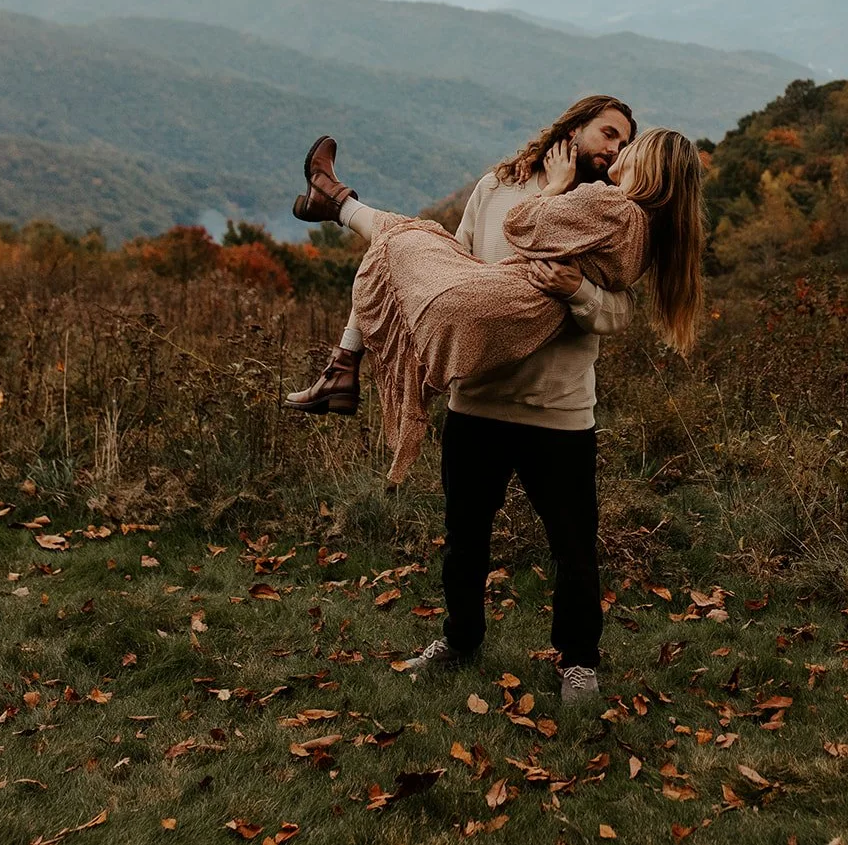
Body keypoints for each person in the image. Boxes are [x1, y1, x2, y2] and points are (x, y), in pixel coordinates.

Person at [285, 105, 705, 701]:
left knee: (574, 546)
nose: (614, 149)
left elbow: (616, 312)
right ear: (572, 129)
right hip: (478, 401)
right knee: (464, 539)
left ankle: (578, 661)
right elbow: (446, 266)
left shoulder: (608, 208)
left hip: (556, 409)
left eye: (626, 144)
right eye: (609, 134)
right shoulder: (497, 187)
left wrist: (580, 289)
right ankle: (460, 640)